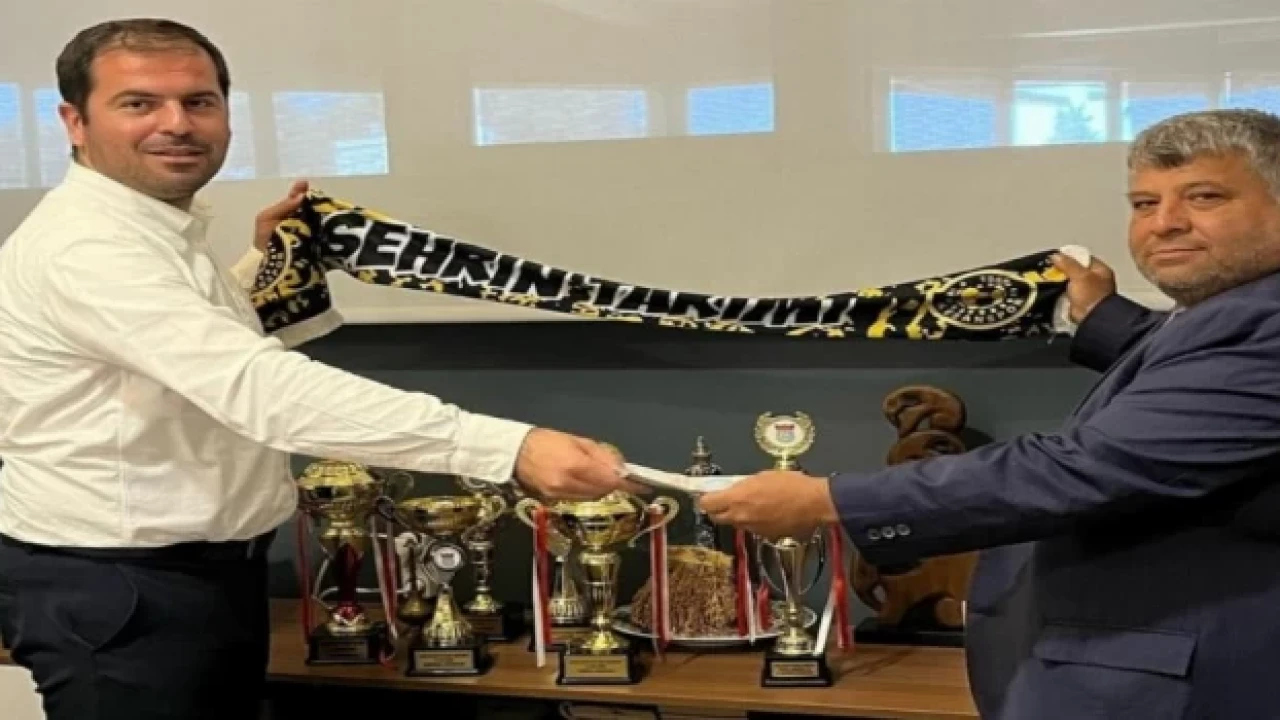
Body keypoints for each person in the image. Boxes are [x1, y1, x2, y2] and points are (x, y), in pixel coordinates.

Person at [0, 18, 644, 720]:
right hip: (125, 588)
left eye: (199, 101)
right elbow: (253, 388)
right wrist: (508, 448)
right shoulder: (90, 248)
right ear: (75, 122)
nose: (176, 123)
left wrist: (266, 265)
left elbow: (172, 354)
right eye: (139, 103)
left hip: (179, 581)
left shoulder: (153, 230)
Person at [700, 108, 1280, 719]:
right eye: (1143, 203)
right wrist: (1107, 321)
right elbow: (1204, 388)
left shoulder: (1264, 326)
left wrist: (829, 501)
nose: (1164, 223)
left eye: (1205, 197)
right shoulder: (1236, 312)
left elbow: (1084, 469)